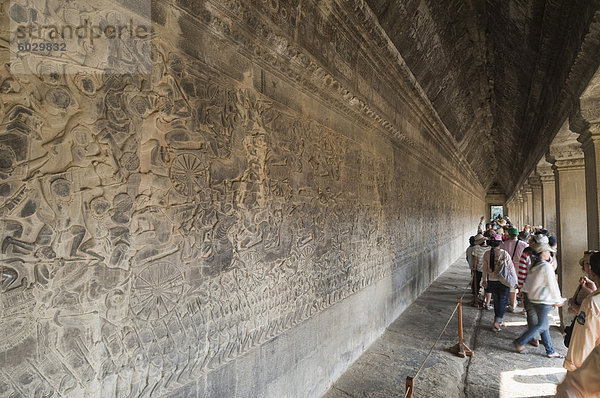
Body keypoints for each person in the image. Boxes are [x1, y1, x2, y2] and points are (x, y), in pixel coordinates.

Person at [513, 237, 565, 357]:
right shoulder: (546, 266)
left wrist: (521, 289)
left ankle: (550, 350)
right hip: (543, 300)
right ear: (542, 253)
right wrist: (558, 300)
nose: (549, 253)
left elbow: (526, 279)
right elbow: (552, 285)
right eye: (547, 251)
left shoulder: (534, 265)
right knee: (542, 325)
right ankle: (520, 341)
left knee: (543, 325)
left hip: (533, 297)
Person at [564, 252, 600, 371]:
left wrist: (572, 367)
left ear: (593, 271)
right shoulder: (591, 295)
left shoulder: (592, 302)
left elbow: (583, 342)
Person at [482, 233, 517, 331]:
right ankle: (497, 321)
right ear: (500, 243)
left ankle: (497, 319)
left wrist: (484, 280)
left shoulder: (486, 254)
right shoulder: (504, 253)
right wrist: (515, 281)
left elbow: (484, 268)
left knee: (497, 301)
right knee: (503, 301)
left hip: (492, 281)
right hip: (503, 281)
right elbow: (511, 268)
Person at [502, 227, 528, 312]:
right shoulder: (524, 244)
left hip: (509, 268)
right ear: (517, 235)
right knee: (523, 287)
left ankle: (512, 305)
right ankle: (525, 308)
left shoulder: (504, 244)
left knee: (512, 287)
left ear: (509, 234)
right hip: (521, 268)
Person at [471, 234, 489, 307]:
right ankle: (485, 298)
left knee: (476, 283)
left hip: (479, 268)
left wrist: (474, 267)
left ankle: (476, 297)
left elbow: (475, 259)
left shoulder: (476, 248)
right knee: (486, 283)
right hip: (487, 269)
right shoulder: (490, 248)